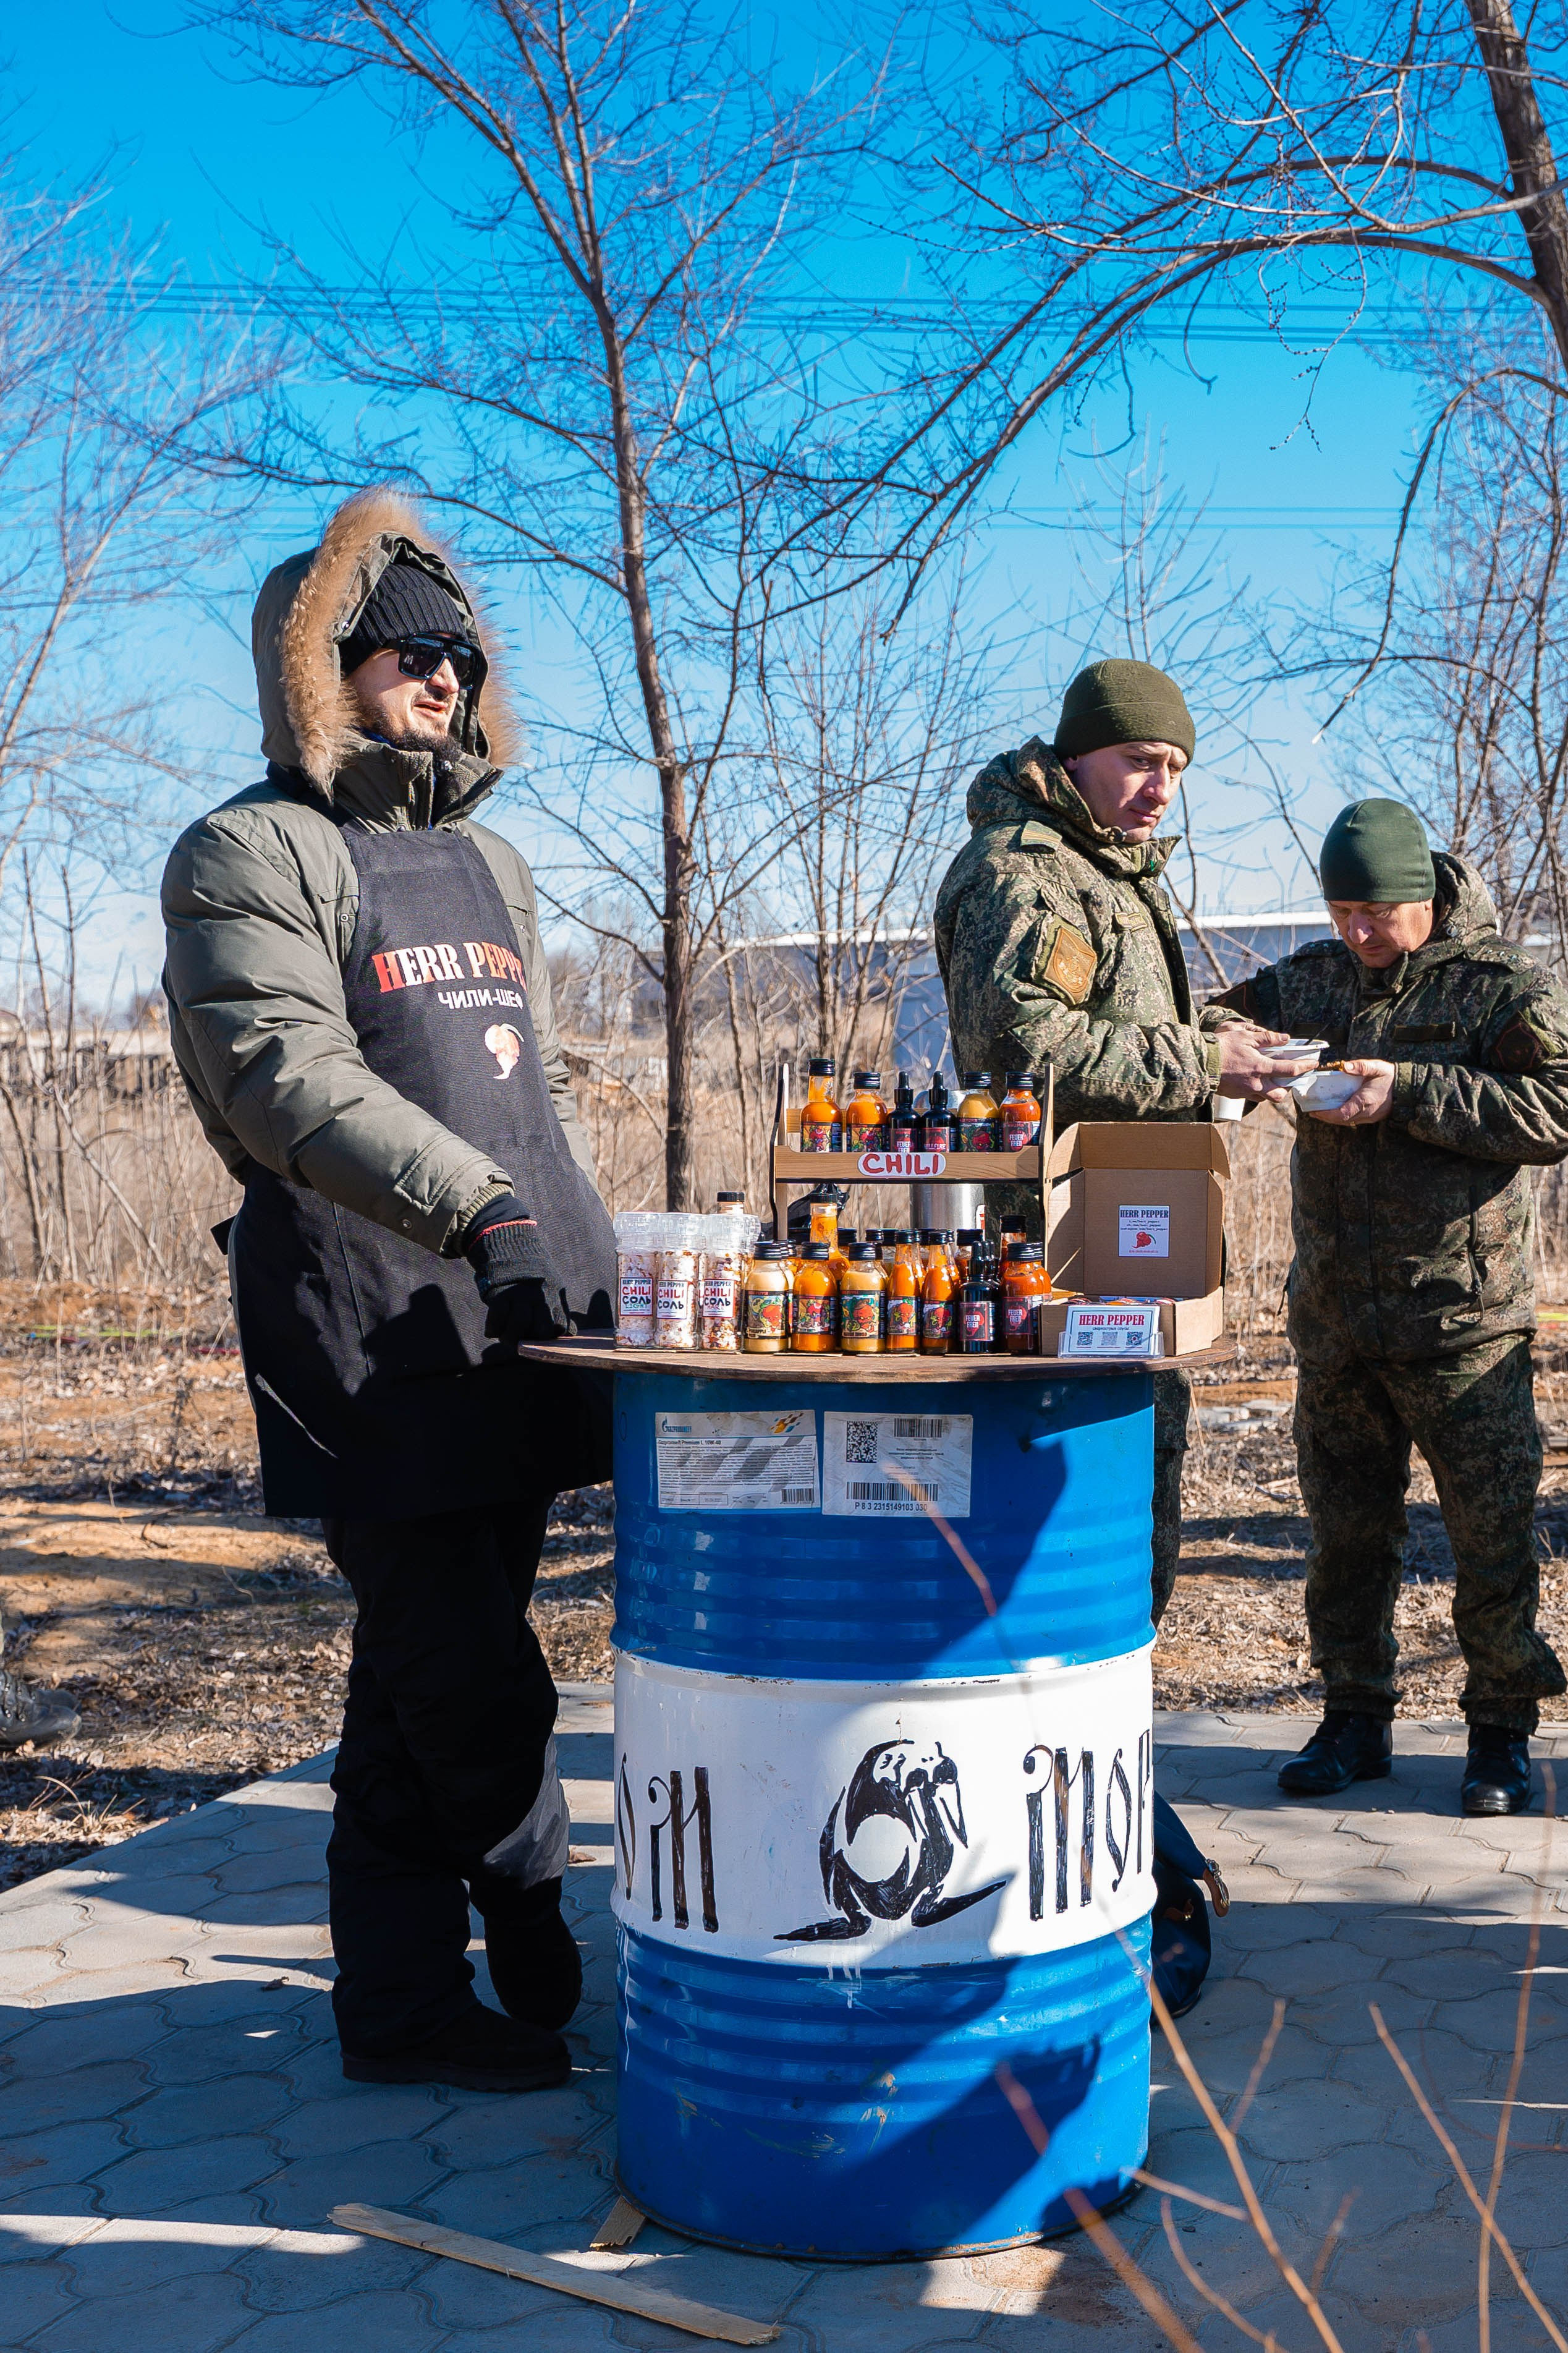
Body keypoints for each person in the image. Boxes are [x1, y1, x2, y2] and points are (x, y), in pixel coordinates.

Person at [162, 489, 617, 2090]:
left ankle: (402, 2008)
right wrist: (478, 1202)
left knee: (416, 1678)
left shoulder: (490, 861)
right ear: (321, 663)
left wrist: (590, 1253)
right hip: (361, 1328)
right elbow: (276, 1073)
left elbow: (528, 1094)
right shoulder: (252, 849)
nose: (441, 674)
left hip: (507, 1315)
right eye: (403, 648)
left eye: (460, 649)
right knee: (464, 1664)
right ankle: (524, 1882)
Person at [1210, 800, 1568, 1815]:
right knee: (1345, 1538)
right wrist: (1249, 1053)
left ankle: (1499, 1732)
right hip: (1335, 1321)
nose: (1360, 932)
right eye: (1341, 909)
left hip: (1461, 1323)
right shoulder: (1315, 976)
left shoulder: (1498, 987)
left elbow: (1559, 1104)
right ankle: (1352, 1717)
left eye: (1378, 911)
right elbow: (1201, 1024)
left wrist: (1405, 1090)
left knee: (1489, 1542)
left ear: (1424, 893)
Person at [935, 657, 1302, 1623]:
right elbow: (1023, 1048)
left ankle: (1112, 1756)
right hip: (1057, 1264)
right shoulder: (1029, 873)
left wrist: (1224, 1053)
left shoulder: (1106, 870)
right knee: (1065, 1538)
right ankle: (1063, 1756)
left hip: (1125, 1249)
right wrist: (1198, 1062)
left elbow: (1117, 1033)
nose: (1160, 789)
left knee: (1129, 1512)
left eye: (1176, 769)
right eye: (1141, 761)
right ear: (1077, 754)